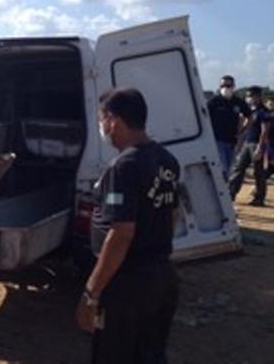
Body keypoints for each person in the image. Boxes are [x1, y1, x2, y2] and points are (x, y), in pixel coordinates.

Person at [76, 88, 180, 364]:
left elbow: (121, 232)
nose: (102, 127)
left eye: (102, 120)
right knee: (149, 354)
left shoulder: (123, 167)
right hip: (161, 276)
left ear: (113, 120)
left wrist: (91, 292)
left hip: (128, 286)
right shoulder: (166, 160)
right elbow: (172, 215)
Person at [228, 86, 270, 206]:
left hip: (257, 143)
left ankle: (259, 198)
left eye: (251, 96)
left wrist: (260, 148)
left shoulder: (264, 112)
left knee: (259, 172)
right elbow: (245, 129)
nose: (249, 98)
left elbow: (264, 131)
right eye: (247, 96)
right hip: (247, 143)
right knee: (238, 169)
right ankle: (231, 193)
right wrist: (239, 143)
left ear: (258, 97)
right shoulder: (250, 111)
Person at [207, 75, 251, 180]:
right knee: (223, 167)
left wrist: (243, 131)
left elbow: (249, 116)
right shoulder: (214, 101)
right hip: (217, 140)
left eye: (228, 85)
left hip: (233, 140)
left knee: (230, 168)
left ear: (233, 86)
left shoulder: (238, 102)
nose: (226, 88)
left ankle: (225, 188)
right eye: (223, 85)